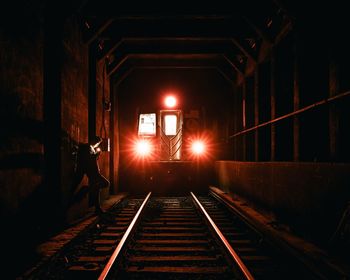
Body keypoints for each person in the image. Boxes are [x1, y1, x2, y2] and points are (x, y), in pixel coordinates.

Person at [69, 136, 110, 214]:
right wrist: (96, 155)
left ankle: (97, 208)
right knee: (105, 183)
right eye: (98, 143)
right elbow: (86, 160)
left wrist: (96, 155)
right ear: (94, 141)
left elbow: (90, 159)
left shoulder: (90, 148)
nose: (97, 145)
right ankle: (87, 189)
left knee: (96, 190)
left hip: (93, 172)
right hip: (92, 173)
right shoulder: (86, 147)